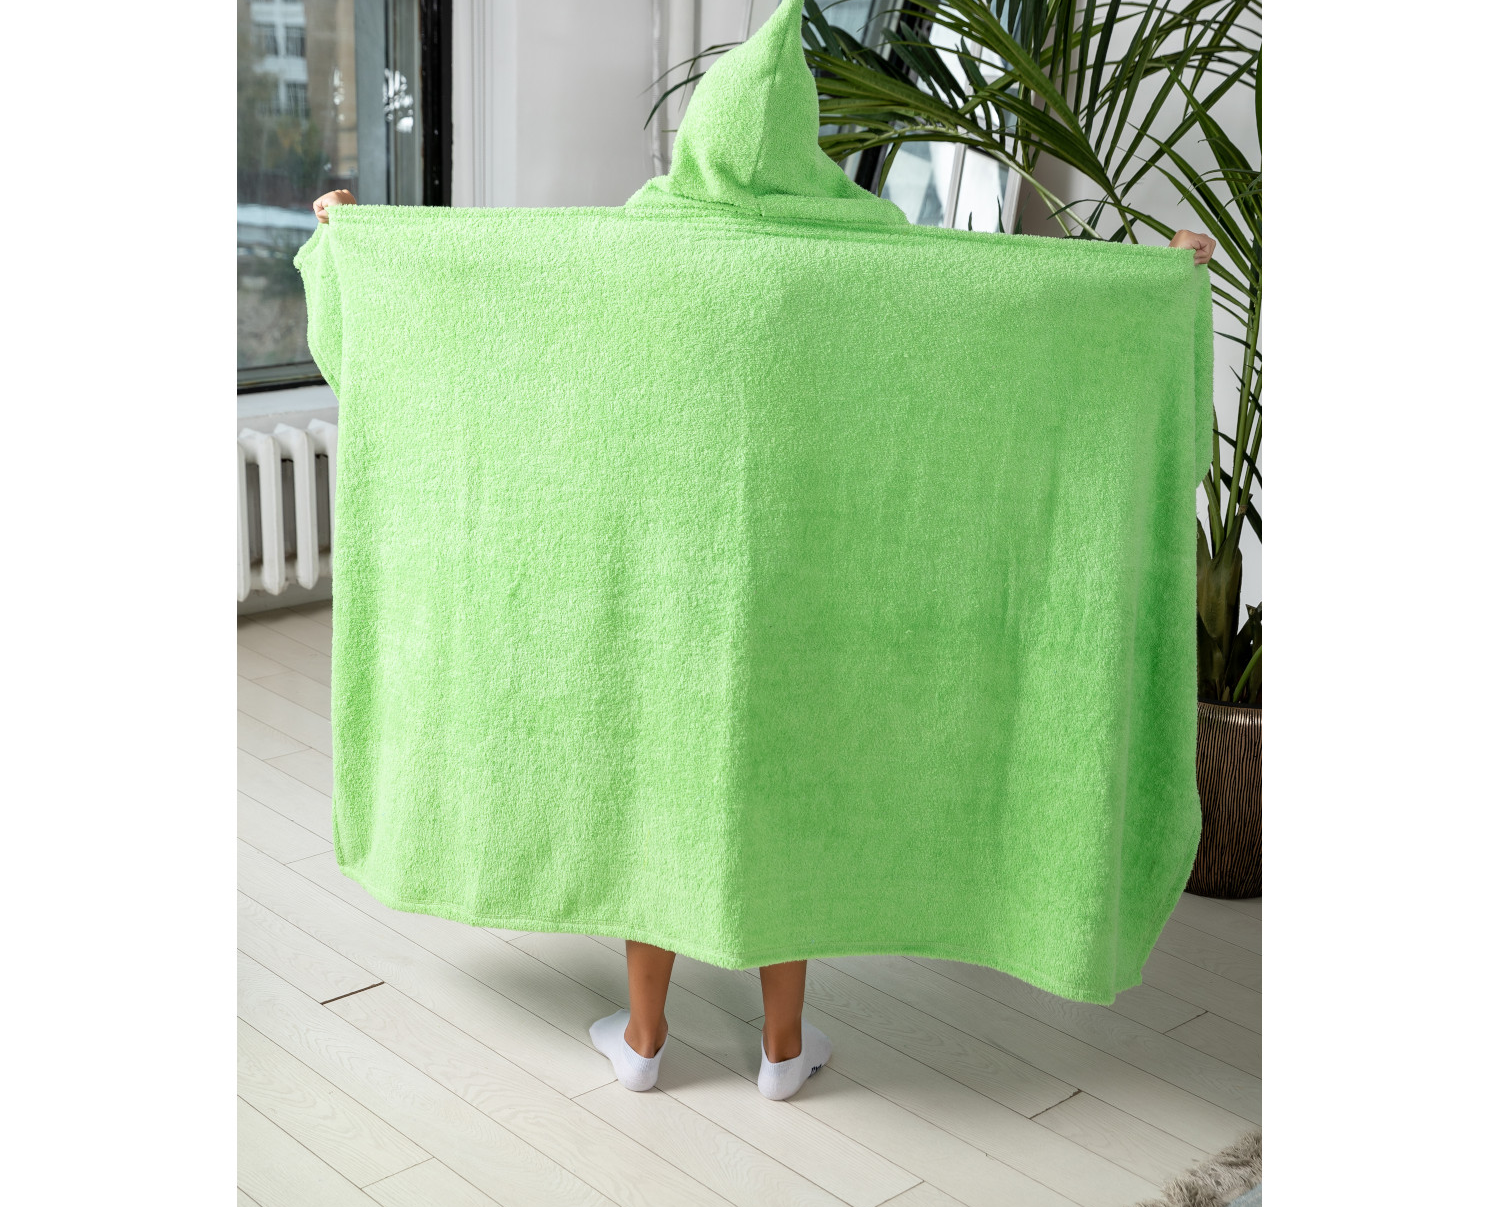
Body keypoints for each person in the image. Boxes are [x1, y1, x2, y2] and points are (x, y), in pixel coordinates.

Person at [311, 185, 1216, 1097]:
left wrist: (355, 235)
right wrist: (1162, 282)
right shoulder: (861, 263)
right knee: (787, 820)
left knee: (660, 811)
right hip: (807, 599)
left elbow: (489, 292)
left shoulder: (639, 254)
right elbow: (1011, 309)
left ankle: (644, 1038)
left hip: (669, 602)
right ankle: (783, 1049)